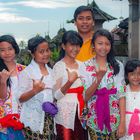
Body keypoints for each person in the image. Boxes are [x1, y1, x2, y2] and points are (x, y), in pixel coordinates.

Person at [80, 29, 126, 139]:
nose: (103, 47)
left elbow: (121, 95)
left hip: (114, 117)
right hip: (93, 117)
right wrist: (98, 78)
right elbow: (85, 97)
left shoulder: (118, 65)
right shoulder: (84, 66)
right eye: (100, 43)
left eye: (107, 44)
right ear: (93, 45)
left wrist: (123, 123)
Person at [17, 36, 56, 140]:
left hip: (50, 119)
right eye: (41, 51)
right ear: (32, 54)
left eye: (47, 50)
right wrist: (35, 90)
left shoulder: (52, 72)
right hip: (33, 119)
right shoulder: (27, 73)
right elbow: (20, 98)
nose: (46, 54)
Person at [53, 30, 88, 140]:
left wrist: (86, 109)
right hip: (65, 114)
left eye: (78, 45)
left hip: (80, 113)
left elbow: (85, 92)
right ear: (63, 46)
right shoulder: (59, 66)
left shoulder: (82, 65)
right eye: (72, 45)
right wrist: (69, 82)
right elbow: (55, 96)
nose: (75, 48)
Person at [0, 35, 25, 140]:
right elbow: (2, 97)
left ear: (15, 49)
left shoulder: (24, 70)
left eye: (10, 49)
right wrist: (3, 82)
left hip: (21, 118)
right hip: (3, 120)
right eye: (2, 50)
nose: (7, 53)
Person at [120, 59, 140, 140]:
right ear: (126, 75)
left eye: (139, 74)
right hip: (126, 123)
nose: (136, 77)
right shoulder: (123, 90)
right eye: (132, 74)